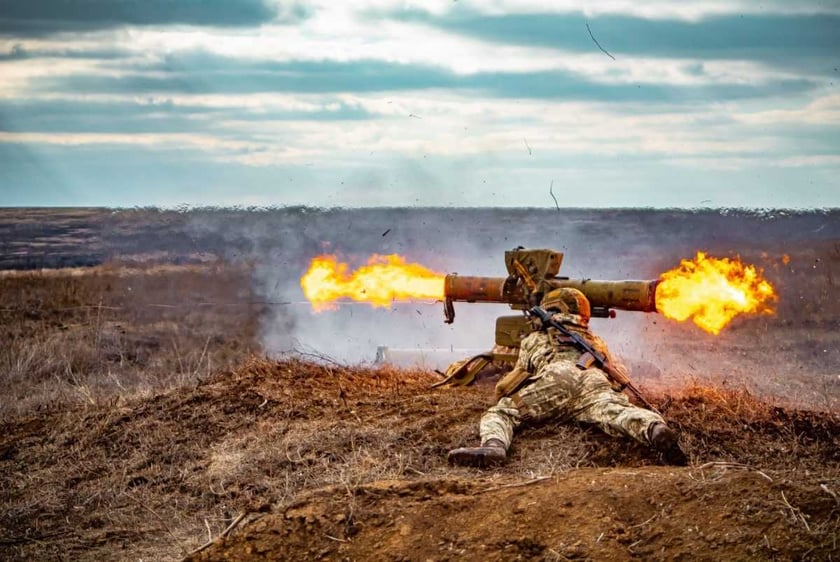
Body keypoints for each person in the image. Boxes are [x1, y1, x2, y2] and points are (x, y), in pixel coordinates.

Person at [447, 287, 687, 467]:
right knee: (619, 413)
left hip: (555, 378)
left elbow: (515, 378)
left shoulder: (535, 338)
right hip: (593, 380)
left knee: (502, 412)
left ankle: (494, 447)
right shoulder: (595, 342)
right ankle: (654, 428)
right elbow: (615, 372)